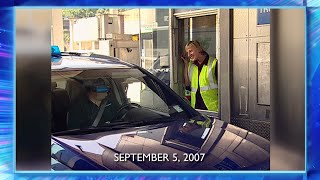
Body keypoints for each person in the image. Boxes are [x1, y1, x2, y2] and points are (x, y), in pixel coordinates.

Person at [181, 40, 218, 112]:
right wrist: (186, 64)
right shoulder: (191, 65)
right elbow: (187, 84)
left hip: (212, 109)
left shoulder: (213, 63)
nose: (189, 55)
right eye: (187, 53)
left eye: (190, 51)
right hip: (196, 109)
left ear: (199, 49)